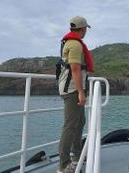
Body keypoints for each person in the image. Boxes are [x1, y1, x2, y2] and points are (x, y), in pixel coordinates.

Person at [57, 16, 94, 173]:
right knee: (70, 125)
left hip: (71, 88)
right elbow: (75, 68)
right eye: (86, 28)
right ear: (83, 29)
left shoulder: (69, 42)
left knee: (80, 122)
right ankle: (64, 165)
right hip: (72, 90)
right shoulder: (75, 45)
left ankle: (76, 156)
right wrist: (81, 92)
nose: (86, 31)